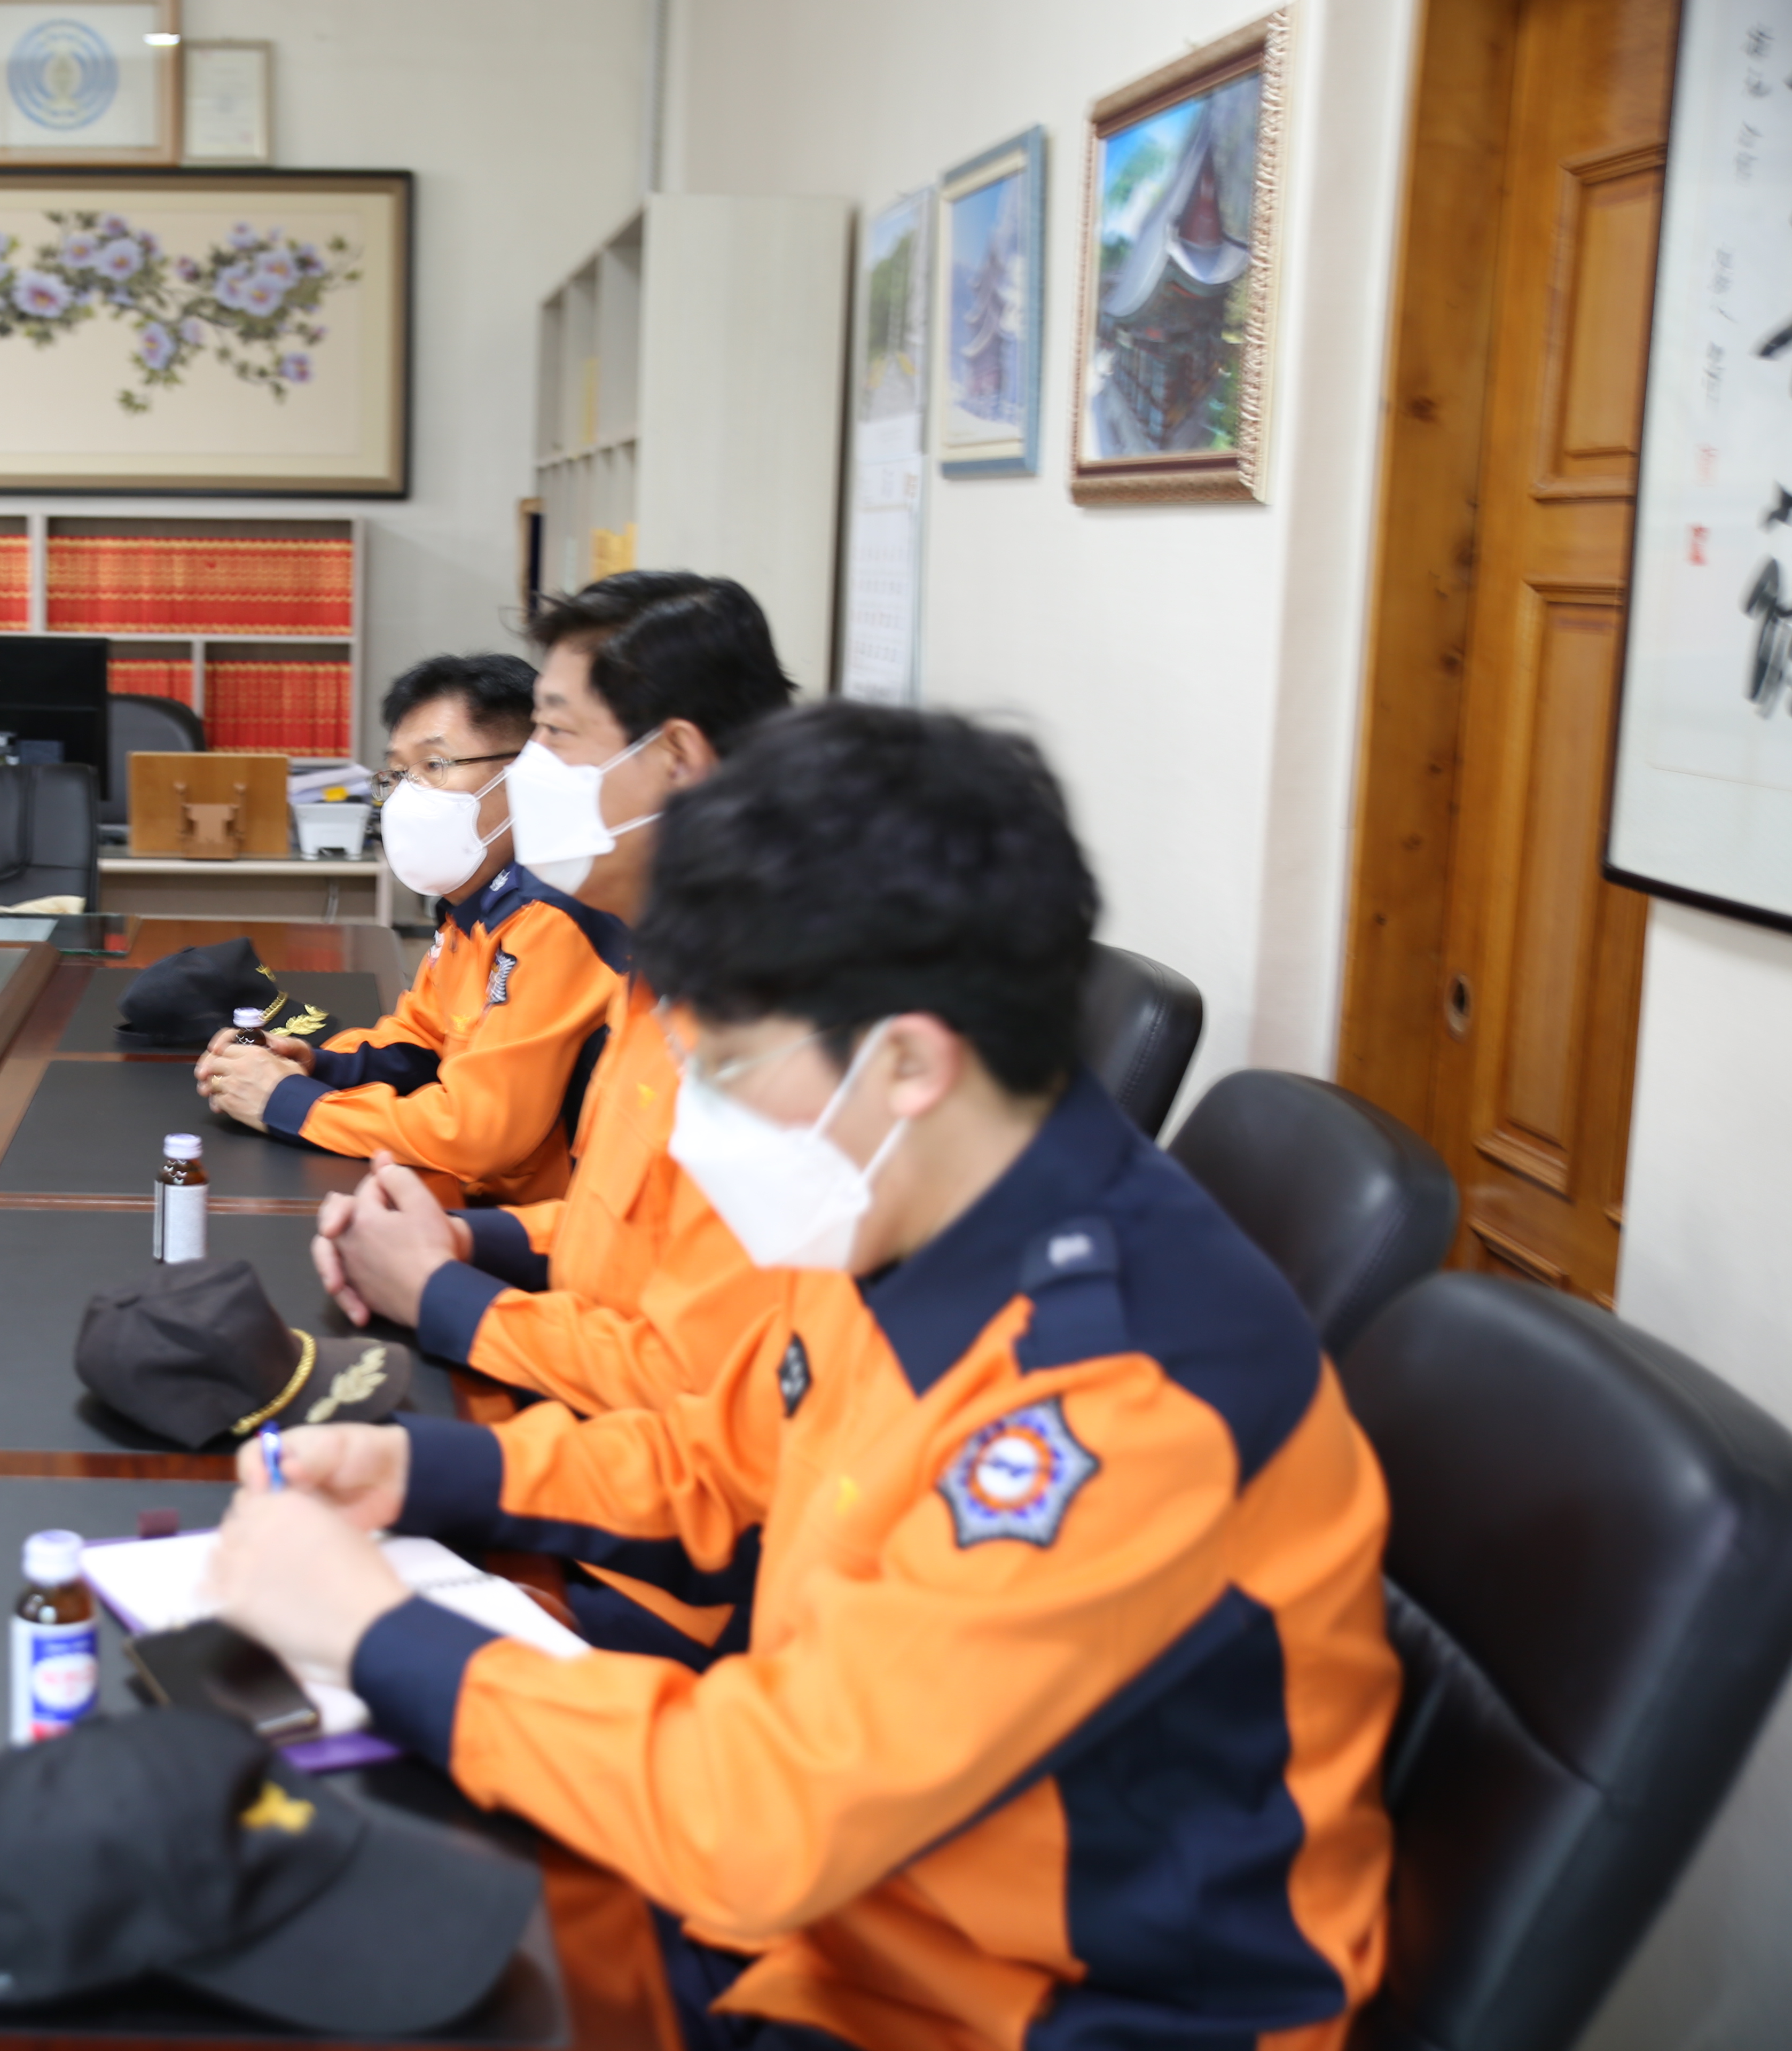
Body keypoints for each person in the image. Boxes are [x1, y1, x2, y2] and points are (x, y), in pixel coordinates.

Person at [209, 703, 1399, 2050]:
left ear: (909, 1061)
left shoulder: (1106, 1402)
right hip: (835, 1919)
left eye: (723, 1069)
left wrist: (380, 1631)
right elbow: (716, 1465)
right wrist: (423, 1469)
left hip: (1037, 2008)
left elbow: (763, 1821)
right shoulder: (907, 1206)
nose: (695, 1127)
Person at [312, 572, 792, 1415]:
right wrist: (459, 1239)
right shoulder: (657, 971)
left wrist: (437, 1293)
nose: (530, 769)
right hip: (575, 1392)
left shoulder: (778, 1031)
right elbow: (620, 1236)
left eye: (556, 735)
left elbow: (692, 1392)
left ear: (678, 759)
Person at [192, 654, 623, 1208]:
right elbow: (422, 1041)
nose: (405, 794)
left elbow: (478, 1133)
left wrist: (288, 1102)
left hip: (540, 1227)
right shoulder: (473, 907)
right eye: (397, 774)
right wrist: (317, 1065)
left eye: (435, 765)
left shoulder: (554, 917)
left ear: (529, 775)